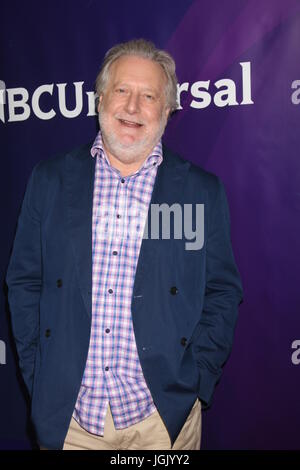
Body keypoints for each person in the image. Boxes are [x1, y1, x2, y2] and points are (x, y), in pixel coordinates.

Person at [6, 39, 243, 450]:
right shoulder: (49, 180)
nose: (132, 108)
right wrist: (39, 376)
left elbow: (221, 291)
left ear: (166, 110)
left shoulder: (199, 192)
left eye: (148, 96)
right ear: (100, 98)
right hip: (70, 423)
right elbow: (25, 282)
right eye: (122, 91)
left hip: (162, 422)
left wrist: (197, 380)